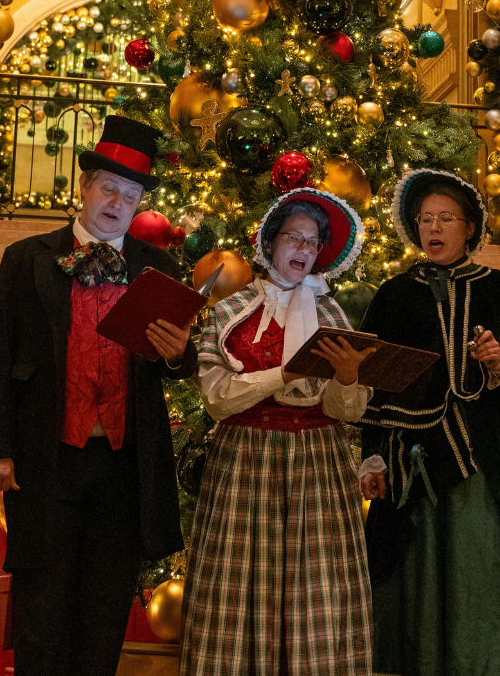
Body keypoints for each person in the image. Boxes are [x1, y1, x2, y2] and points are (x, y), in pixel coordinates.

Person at [0, 116, 198, 676]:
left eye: (130, 196)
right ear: (84, 186)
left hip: (125, 467)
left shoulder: (158, 268)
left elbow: (178, 367)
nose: (118, 204)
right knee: (42, 614)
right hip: (45, 460)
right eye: (108, 189)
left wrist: (177, 353)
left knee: (104, 615)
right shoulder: (25, 258)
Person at [359, 168, 500, 676]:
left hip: (480, 461)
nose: (434, 227)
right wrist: (372, 457)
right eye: (425, 218)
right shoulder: (393, 296)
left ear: (470, 227)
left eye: (446, 218)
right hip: (408, 468)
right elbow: (369, 388)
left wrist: (497, 368)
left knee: (478, 569)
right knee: (412, 575)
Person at [180, 188, 375, 676]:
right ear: (270, 243)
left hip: (319, 464)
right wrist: (282, 375)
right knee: (237, 591)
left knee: (320, 592)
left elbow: (346, 411)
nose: (303, 250)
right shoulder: (229, 312)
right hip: (245, 463)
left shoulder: (332, 316)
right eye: (294, 238)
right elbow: (218, 399)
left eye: (312, 242)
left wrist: (347, 378)